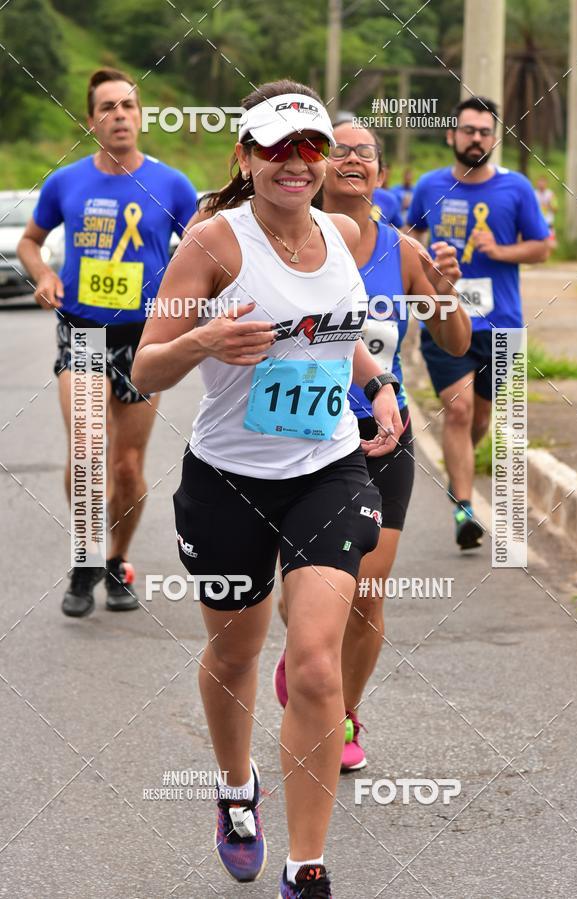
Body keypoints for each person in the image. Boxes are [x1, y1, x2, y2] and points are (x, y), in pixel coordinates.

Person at [132, 79, 404, 899]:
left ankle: (307, 866)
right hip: (227, 480)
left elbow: (337, 329)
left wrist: (379, 381)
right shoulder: (214, 243)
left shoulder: (345, 231)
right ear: (246, 157)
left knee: (317, 665)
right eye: (276, 148)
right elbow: (145, 366)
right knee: (236, 653)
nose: (296, 163)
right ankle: (236, 786)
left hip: (327, 468)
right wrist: (208, 335)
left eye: (311, 147)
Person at [272, 122, 471, 772]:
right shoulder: (287, 242)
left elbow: (457, 340)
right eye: (342, 150)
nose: (354, 159)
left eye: (367, 153)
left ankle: (343, 711)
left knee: (365, 592)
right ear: (320, 167)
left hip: (383, 439)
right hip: (299, 437)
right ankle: (306, 650)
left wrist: (444, 290)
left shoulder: (404, 249)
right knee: (296, 596)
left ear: (382, 174)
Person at [18, 68, 197, 617]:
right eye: (108, 108)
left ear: (140, 117)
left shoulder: (171, 185)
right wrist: (43, 277)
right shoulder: (65, 182)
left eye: (129, 106)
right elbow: (30, 242)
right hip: (83, 333)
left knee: (126, 467)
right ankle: (85, 556)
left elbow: (202, 250)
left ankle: (117, 559)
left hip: (142, 338)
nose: (120, 115)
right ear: (90, 120)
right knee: (87, 453)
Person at [406, 96, 550, 550]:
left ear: (495, 139)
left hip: (502, 325)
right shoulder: (430, 187)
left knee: (480, 416)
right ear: (452, 135)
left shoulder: (517, 188)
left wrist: (500, 251)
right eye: (468, 131)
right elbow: (411, 237)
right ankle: (464, 508)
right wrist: (424, 275)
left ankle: (461, 464)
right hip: (446, 316)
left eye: (485, 132)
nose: (476, 139)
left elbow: (542, 247)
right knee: (459, 408)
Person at [534, 176, 557, 249]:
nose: (541, 184)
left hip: (548, 222)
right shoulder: (533, 194)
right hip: (537, 221)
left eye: (543, 182)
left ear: (546, 183)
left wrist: (549, 205)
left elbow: (555, 209)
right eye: (540, 182)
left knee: (551, 243)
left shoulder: (551, 194)